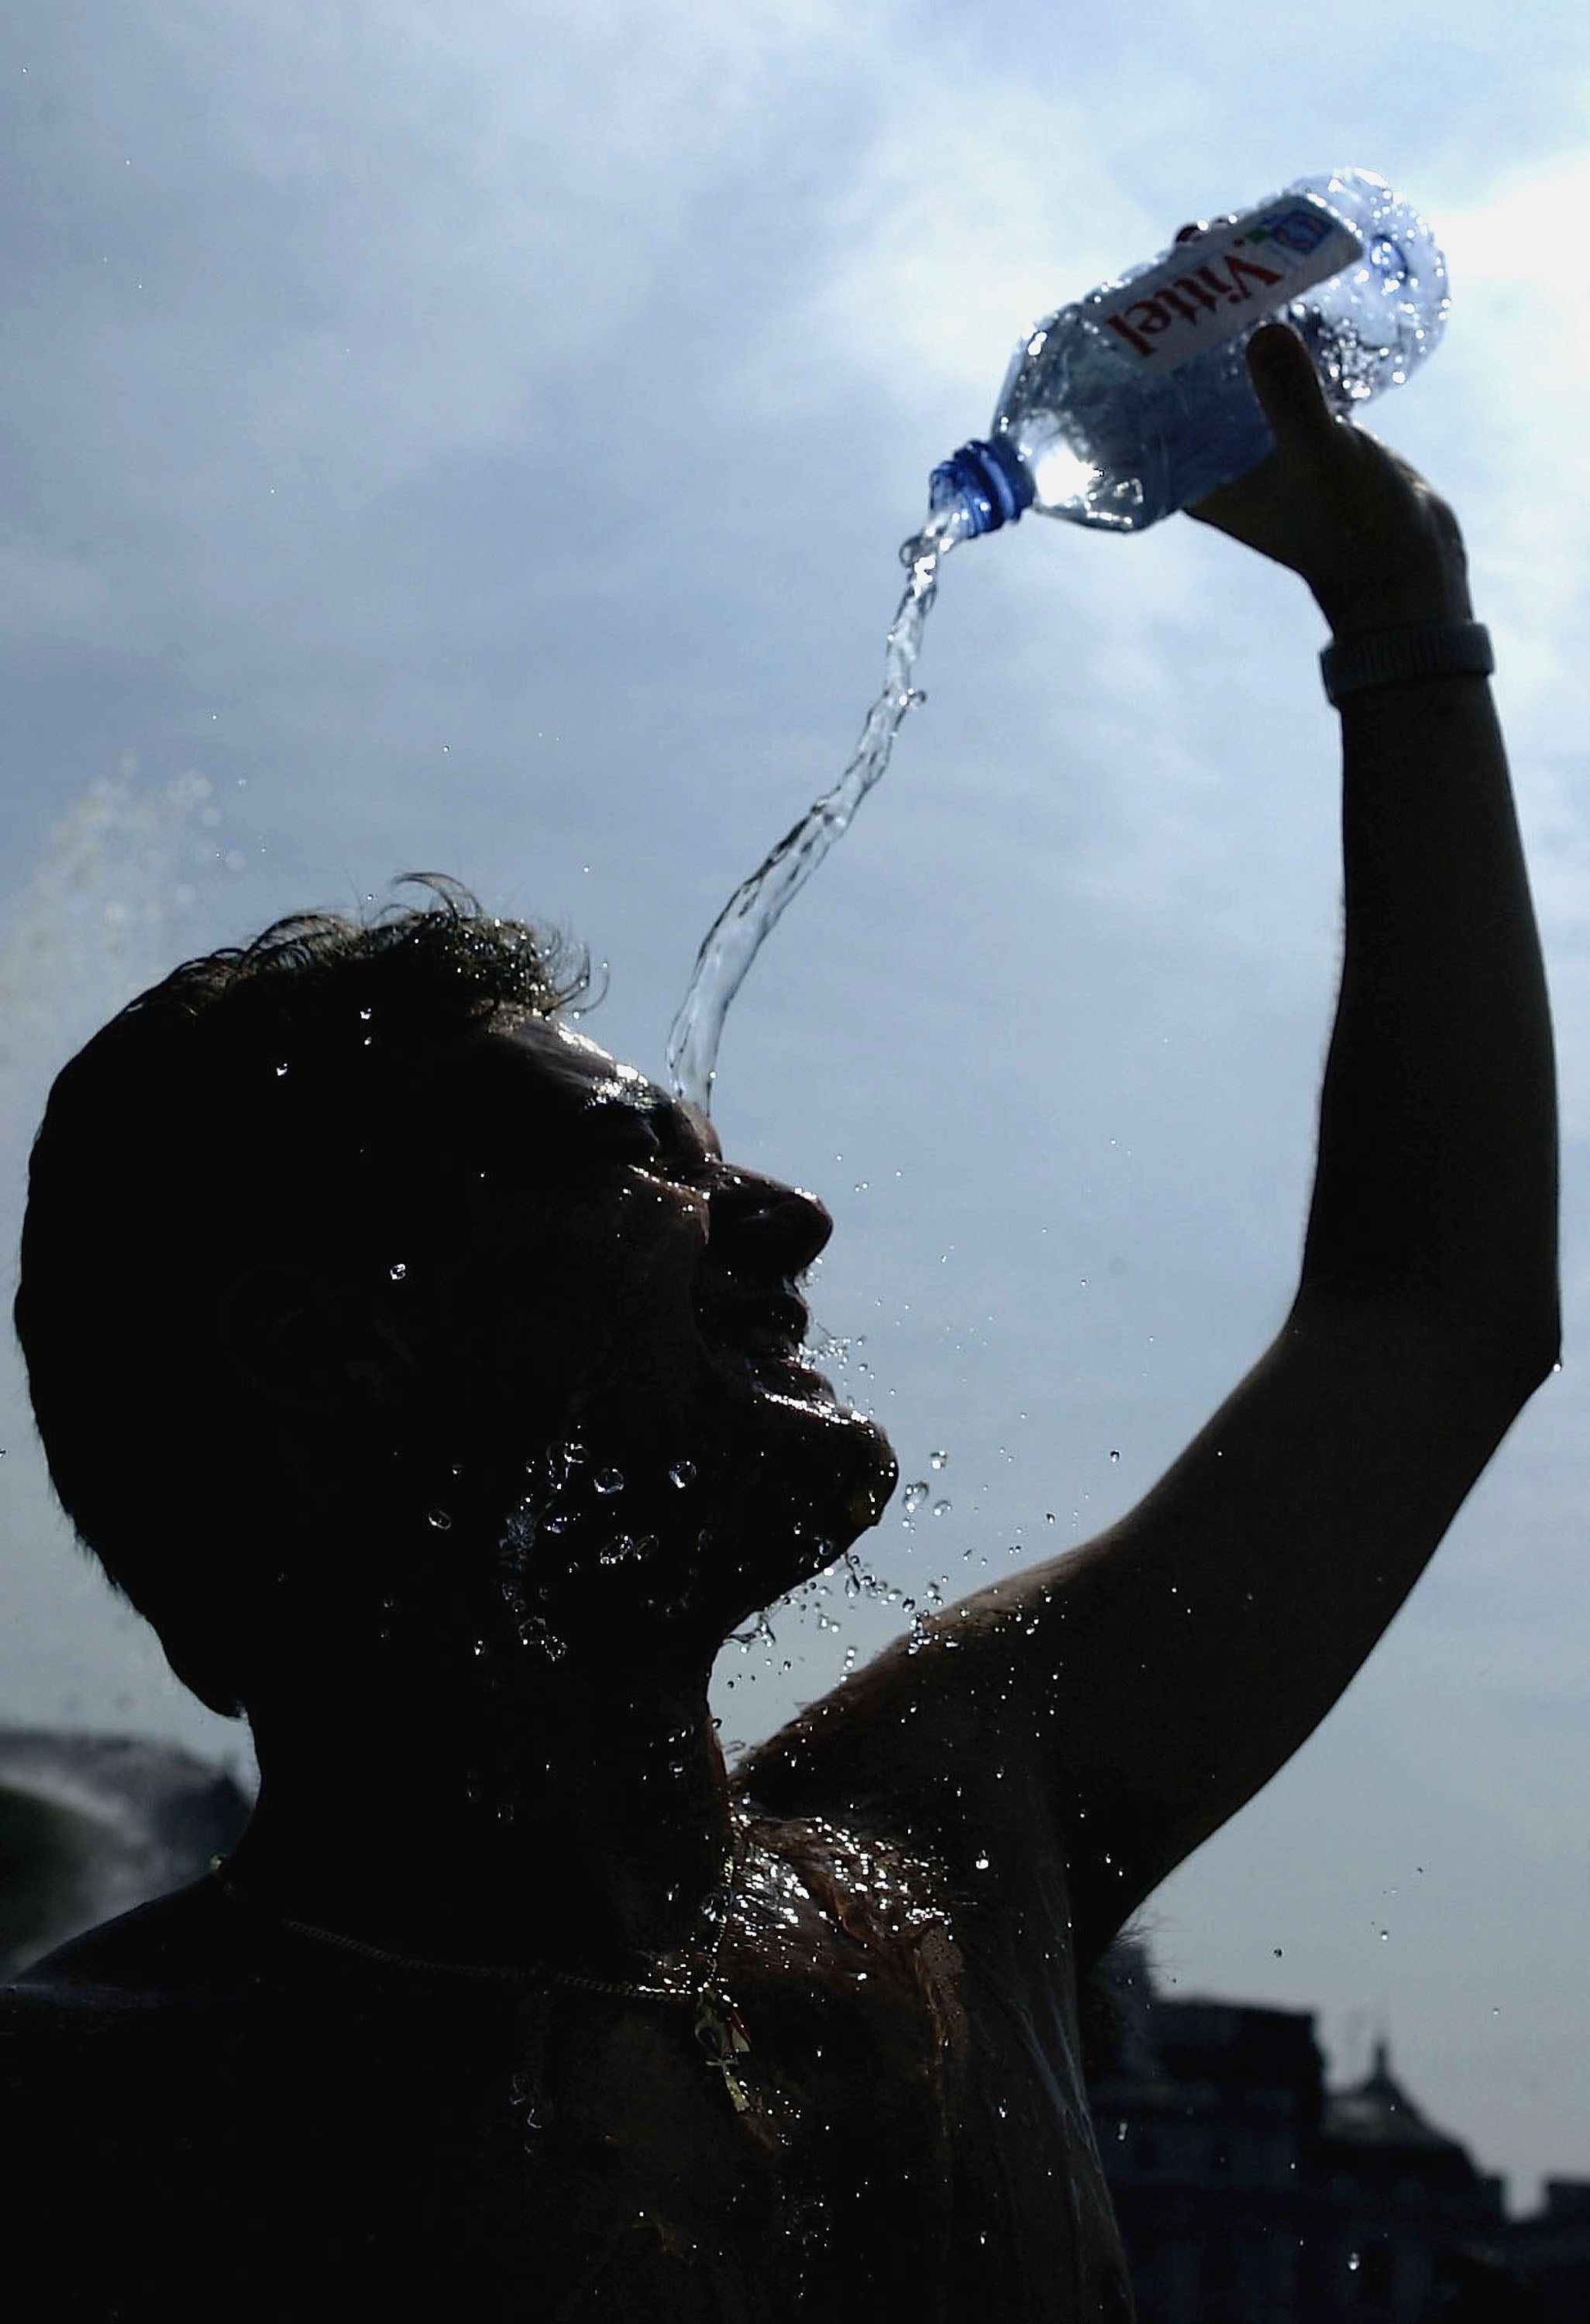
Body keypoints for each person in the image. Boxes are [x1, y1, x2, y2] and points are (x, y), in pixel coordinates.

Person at [0, 321, 1558, 2322]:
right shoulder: (91, 2149)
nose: (789, 1213)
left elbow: (1428, 1316)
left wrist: (1399, 613)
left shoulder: (929, 1863)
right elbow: (1421, 1320)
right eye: (627, 1159)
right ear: (334, 1347)